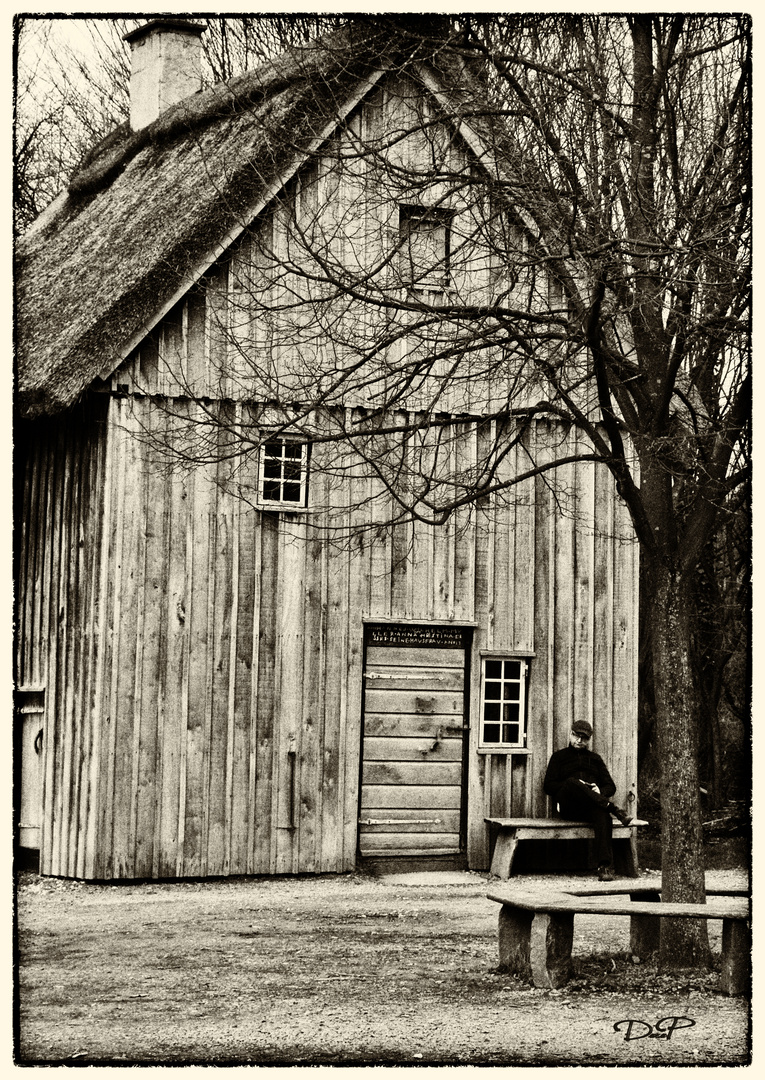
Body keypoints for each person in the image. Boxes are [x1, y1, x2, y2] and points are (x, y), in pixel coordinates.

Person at [543, 719, 633, 881]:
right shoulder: (559, 757)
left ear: (589, 739)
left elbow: (610, 786)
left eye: (584, 738)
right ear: (570, 734)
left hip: (591, 807)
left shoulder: (595, 759)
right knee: (572, 782)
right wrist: (576, 786)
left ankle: (604, 866)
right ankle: (614, 809)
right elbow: (548, 786)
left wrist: (599, 790)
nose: (579, 740)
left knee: (603, 815)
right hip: (568, 806)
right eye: (576, 736)